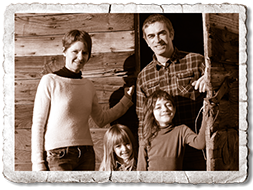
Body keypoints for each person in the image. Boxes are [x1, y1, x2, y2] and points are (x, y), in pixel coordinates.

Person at [31, 30, 134, 171]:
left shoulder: (88, 86)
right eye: (75, 51)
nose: (80, 57)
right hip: (58, 156)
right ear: (64, 51)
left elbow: (101, 119)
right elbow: (38, 124)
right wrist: (38, 163)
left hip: (86, 154)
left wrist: (126, 100)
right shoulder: (50, 81)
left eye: (85, 53)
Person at [136, 14, 207, 170]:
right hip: (165, 155)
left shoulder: (196, 61)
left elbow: (224, 91)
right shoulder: (144, 76)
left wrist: (212, 79)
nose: (157, 39)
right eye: (151, 36)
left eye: (161, 33)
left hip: (197, 148)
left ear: (171, 34)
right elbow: (143, 120)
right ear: (147, 42)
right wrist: (143, 160)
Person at [137, 90, 207, 171]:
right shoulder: (147, 137)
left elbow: (200, 143)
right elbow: (141, 170)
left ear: (174, 109)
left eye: (168, 105)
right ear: (152, 113)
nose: (165, 109)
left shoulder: (181, 131)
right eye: (158, 107)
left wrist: (206, 114)